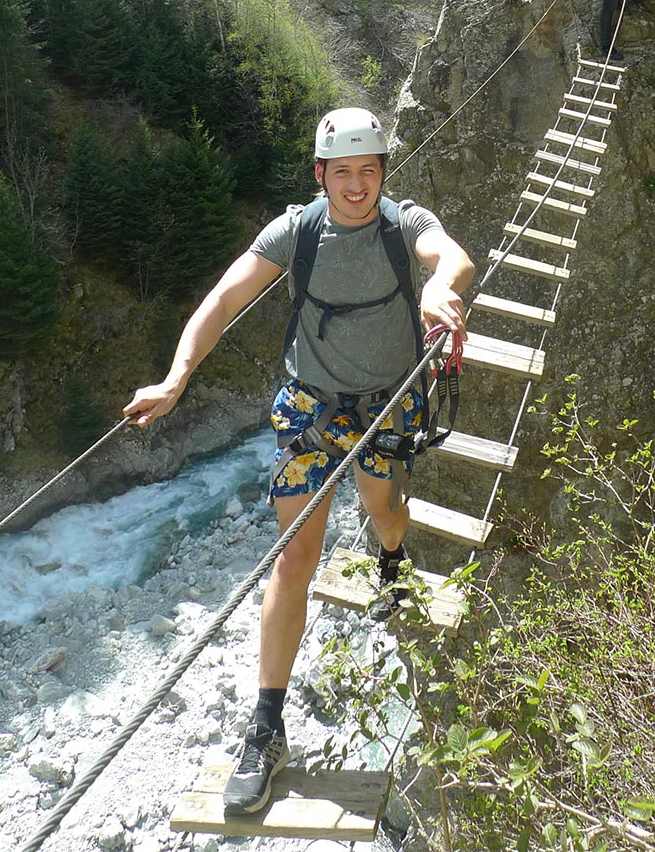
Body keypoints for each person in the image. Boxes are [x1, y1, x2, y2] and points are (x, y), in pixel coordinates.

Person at [123, 106, 474, 815]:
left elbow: (450, 253)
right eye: (341, 172)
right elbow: (224, 298)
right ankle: (266, 723)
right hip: (310, 409)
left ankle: (392, 562)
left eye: (367, 171)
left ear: (382, 175)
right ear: (319, 176)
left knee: (386, 512)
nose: (355, 185)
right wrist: (177, 376)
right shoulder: (297, 231)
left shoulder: (402, 223)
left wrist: (441, 288)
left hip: (385, 406)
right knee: (293, 558)